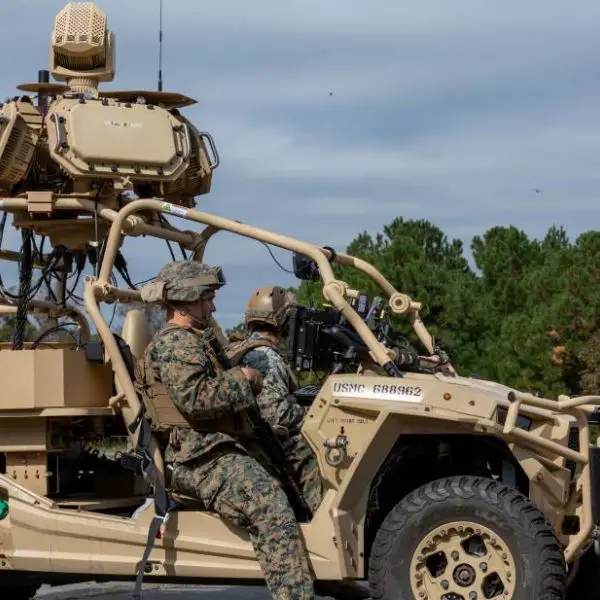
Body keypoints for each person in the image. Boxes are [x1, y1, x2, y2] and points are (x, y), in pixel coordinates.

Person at [136, 260, 314, 600]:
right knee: (269, 505)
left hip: (217, 446)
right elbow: (196, 400)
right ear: (188, 301)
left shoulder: (195, 341)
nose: (213, 307)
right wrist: (243, 378)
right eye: (208, 299)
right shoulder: (177, 344)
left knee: (299, 458)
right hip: (197, 456)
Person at [226, 285, 323, 514]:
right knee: (316, 451)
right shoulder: (266, 356)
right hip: (262, 445)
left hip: (246, 438)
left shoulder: (240, 348)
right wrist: (314, 414)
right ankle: (319, 519)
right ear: (284, 322)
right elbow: (274, 414)